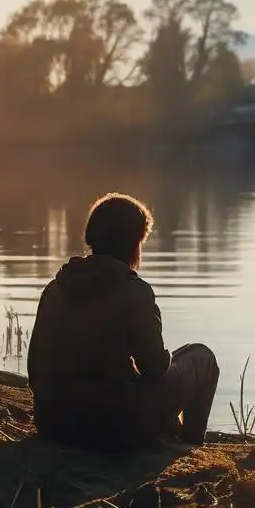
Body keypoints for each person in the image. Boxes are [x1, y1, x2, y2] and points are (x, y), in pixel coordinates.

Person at [27, 192, 219, 449]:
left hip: (52, 425)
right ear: (134, 244)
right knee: (201, 357)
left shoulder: (55, 287)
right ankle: (191, 445)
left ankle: (171, 431)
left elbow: (35, 370)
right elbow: (155, 368)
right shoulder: (134, 291)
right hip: (114, 431)